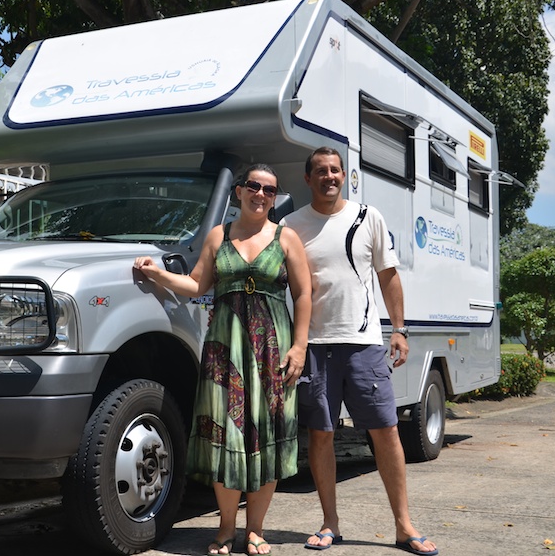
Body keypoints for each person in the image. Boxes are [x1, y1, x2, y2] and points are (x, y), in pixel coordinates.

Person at [134, 164, 311, 556]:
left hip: (271, 350)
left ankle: (256, 530)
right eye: (254, 186)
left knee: (265, 436)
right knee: (224, 435)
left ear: (275, 197)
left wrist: (299, 346)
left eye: (269, 190)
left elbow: (303, 294)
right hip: (224, 350)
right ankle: (226, 528)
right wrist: (157, 274)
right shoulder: (219, 235)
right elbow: (197, 284)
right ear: (239, 191)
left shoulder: (286, 238)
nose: (261, 194)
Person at [282, 147, 438, 555]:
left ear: (344, 175)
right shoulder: (290, 226)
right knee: (321, 434)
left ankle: (404, 526)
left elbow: (388, 276)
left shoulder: (368, 217)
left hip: (364, 343)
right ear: (308, 178)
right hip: (315, 346)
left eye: (335, 170)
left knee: (386, 430)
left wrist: (399, 330)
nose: (329, 176)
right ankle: (330, 523)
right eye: (320, 171)